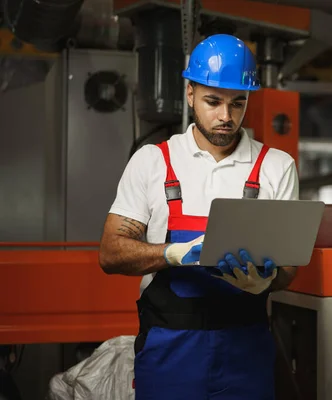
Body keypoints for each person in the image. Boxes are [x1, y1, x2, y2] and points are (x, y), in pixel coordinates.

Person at [98, 33, 299, 400]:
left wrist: (265, 282)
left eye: (238, 103)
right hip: (168, 355)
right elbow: (110, 254)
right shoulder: (153, 161)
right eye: (213, 101)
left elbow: (289, 267)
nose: (226, 116)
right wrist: (171, 254)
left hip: (247, 354)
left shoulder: (276, 166)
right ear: (189, 93)